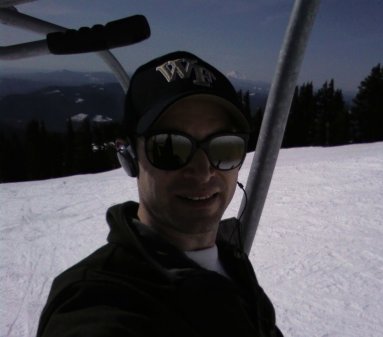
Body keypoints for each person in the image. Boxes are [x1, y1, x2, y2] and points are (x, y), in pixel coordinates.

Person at [36, 51, 283, 337]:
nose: (203, 172)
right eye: (170, 148)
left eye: (224, 147)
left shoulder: (233, 264)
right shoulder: (98, 298)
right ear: (128, 156)